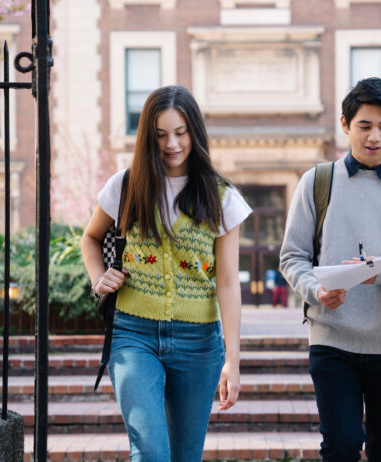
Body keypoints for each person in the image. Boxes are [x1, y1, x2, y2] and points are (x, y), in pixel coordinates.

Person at [81, 85, 251, 462]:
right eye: (160, 135)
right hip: (133, 335)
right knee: (152, 452)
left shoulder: (222, 197)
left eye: (180, 132)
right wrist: (98, 277)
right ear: (147, 137)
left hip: (199, 344)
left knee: (183, 456)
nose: (171, 144)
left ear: (195, 132)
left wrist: (233, 360)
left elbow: (227, 283)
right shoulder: (125, 186)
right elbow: (90, 239)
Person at [280, 77, 381, 462]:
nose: (375, 137)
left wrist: (379, 271)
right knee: (342, 444)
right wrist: (316, 290)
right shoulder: (317, 182)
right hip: (332, 337)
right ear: (346, 125)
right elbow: (292, 256)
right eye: (364, 126)